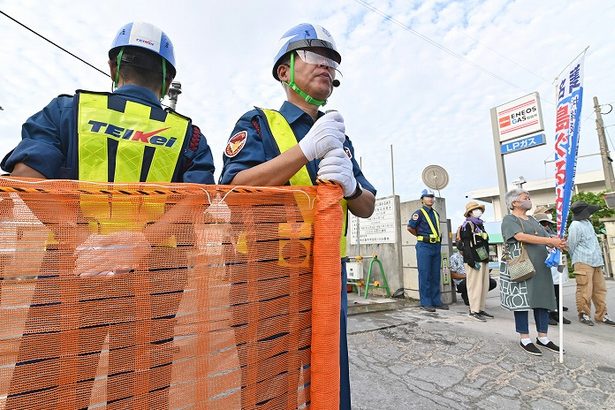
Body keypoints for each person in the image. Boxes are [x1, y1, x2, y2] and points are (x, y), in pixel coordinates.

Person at [1, 22, 215, 407]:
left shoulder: (68, 111)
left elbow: (26, 177)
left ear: (114, 67)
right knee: (137, 393)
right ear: (168, 80)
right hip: (156, 276)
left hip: (71, 269)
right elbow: (198, 198)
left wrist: (86, 242)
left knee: (51, 390)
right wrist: (141, 242)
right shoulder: (190, 135)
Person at [218, 23, 376, 409]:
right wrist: (304, 151)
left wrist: (352, 189)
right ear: (283, 71)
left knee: (329, 378)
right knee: (268, 384)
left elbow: (367, 205)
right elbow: (233, 192)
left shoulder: (339, 133)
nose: (326, 67)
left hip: (326, 274)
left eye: (332, 62)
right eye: (315, 57)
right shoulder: (257, 123)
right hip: (264, 274)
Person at [501, 189, 566, 356]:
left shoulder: (533, 220)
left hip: (540, 266)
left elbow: (548, 238)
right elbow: (520, 236)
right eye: (525, 198)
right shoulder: (509, 219)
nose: (529, 200)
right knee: (522, 300)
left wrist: (558, 243)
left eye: (529, 198)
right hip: (522, 265)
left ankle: (543, 337)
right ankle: (525, 338)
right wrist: (549, 240)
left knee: (542, 299)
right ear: (515, 202)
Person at [568, 201, 615, 326]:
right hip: (582, 261)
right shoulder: (575, 225)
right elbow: (571, 245)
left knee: (600, 290)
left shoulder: (587, 223)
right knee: (584, 289)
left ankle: (602, 315)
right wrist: (576, 260)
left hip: (596, 261)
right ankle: (584, 314)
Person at [407, 189, 447, 312]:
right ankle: (425, 302)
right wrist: (421, 236)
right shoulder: (418, 213)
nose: (430, 198)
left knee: (435, 274)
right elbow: (410, 227)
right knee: (425, 275)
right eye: (427, 196)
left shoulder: (436, 213)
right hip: (424, 246)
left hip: (436, 246)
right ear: (422, 199)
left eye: (432, 196)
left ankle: (436, 301)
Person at [534, 212, 571, 325]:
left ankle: (558, 313)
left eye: (547, 223)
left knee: (557, 291)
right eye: (543, 223)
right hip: (544, 267)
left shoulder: (553, 234)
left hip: (556, 267)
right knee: (547, 293)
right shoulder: (536, 235)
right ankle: (548, 314)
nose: (546, 226)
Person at [459, 201, 494, 321]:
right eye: (476, 209)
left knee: (484, 285)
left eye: (479, 209)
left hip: (483, 259)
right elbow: (466, 245)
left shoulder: (480, 225)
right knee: (475, 286)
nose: (478, 211)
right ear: (470, 212)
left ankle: (480, 309)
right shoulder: (467, 225)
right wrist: (470, 260)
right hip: (473, 260)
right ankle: (473, 310)